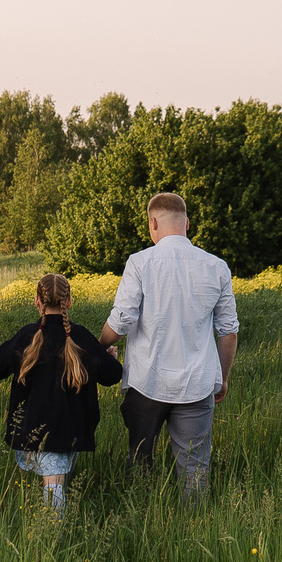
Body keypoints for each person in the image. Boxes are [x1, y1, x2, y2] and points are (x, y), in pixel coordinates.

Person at [99, 191, 238, 496]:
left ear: (152, 222)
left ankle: (142, 520)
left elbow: (121, 320)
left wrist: (99, 349)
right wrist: (222, 379)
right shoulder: (217, 267)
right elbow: (228, 332)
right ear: (186, 223)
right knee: (194, 467)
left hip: (146, 382)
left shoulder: (140, 263)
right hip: (198, 384)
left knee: (140, 459)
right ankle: (194, 525)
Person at [0, 273, 122, 514]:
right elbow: (111, 375)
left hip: (33, 430)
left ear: (37, 301)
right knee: (55, 489)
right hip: (70, 429)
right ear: (69, 301)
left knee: (55, 486)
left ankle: (51, 538)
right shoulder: (81, 337)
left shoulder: (26, 337)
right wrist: (110, 358)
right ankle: (52, 540)